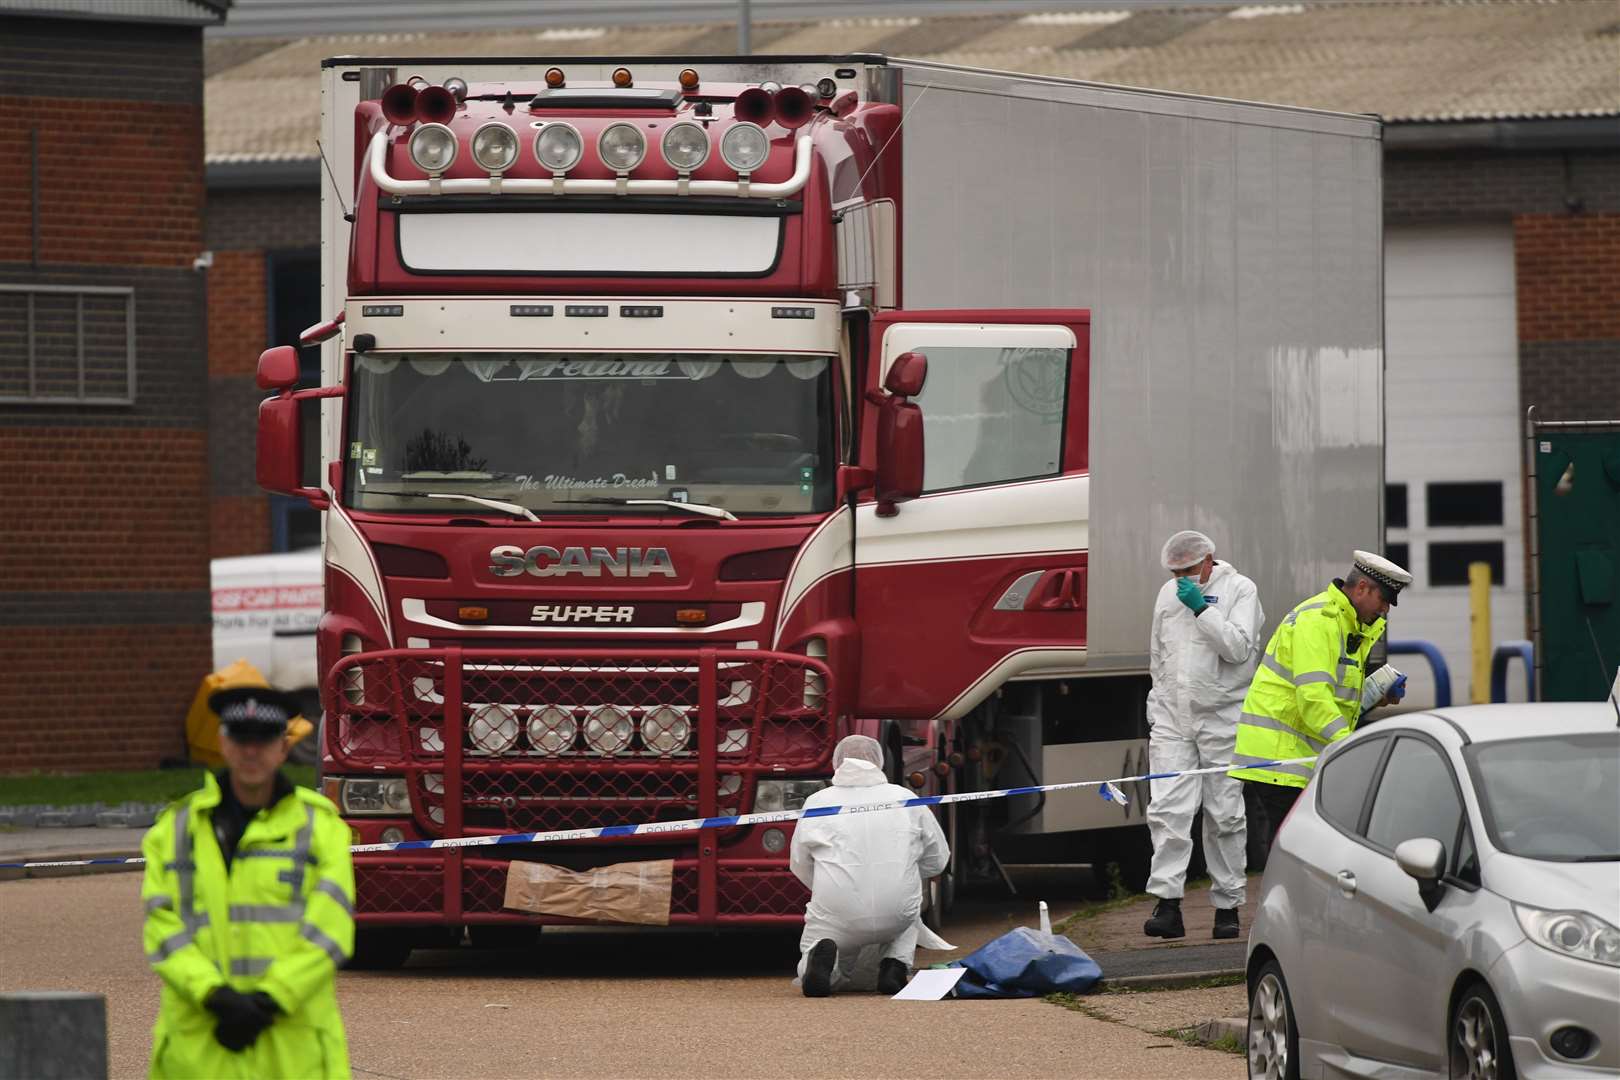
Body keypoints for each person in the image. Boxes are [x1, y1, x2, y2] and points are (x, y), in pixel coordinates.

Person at [141, 687, 355, 1079]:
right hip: (201, 1053)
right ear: (223, 743)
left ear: (283, 747)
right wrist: (214, 995)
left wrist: (273, 999)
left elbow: (331, 929)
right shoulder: (174, 831)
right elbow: (163, 927)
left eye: (265, 739)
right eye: (241, 738)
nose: (252, 751)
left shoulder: (320, 829)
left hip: (290, 1054)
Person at [1230, 550, 1412, 846]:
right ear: (1363, 588)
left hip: (1299, 756)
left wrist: (1375, 695)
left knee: (1309, 853)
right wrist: (1349, 745)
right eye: (1383, 600)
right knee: (1301, 855)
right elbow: (1314, 698)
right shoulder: (1319, 621)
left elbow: (1332, 694)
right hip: (1281, 760)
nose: (1385, 611)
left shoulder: (1348, 623)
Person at [1142, 531, 1265, 941]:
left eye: (1189, 570)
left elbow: (1238, 649)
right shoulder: (1165, 595)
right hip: (1174, 720)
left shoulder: (1240, 589)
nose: (1182, 579)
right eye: (1175, 572)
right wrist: (1158, 711)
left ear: (1209, 561)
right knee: (1168, 811)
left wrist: (1202, 611)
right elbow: (1158, 658)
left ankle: (1227, 906)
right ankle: (1167, 903)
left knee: (1225, 814)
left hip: (1223, 718)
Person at [790, 734, 951, 997]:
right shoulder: (905, 798)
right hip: (896, 910)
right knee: (910, 917)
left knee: (818, 936)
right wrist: (905, 872)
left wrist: (826, 885)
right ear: (879, 762)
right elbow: (938, 860)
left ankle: (816, 963)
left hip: (837, 911)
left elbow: (799, 863)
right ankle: (895, 965)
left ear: (836, 763)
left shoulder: (817, 802)